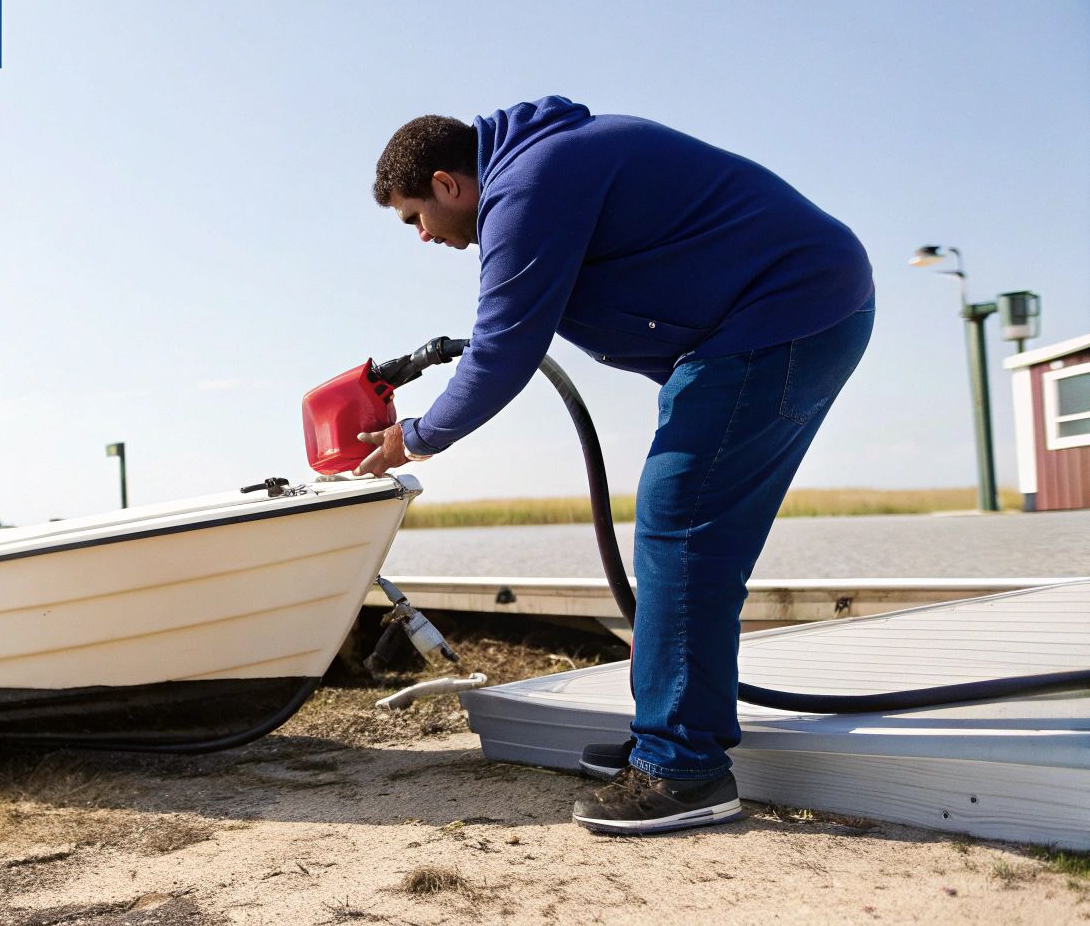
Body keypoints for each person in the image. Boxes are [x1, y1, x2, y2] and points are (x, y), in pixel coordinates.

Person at [357, 97, 873, 835]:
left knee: (683, 524)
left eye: (414, 217)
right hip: (778, 318)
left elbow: (504, 345)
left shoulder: (529, 183)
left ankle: (683, 768)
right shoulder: (547, 165)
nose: (421, 236)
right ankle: (668, 735)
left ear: (447, 184)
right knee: (682, 526)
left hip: (784, 313)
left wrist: (417, 435)